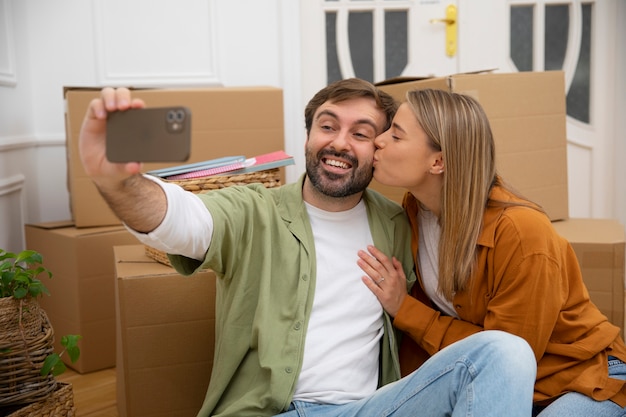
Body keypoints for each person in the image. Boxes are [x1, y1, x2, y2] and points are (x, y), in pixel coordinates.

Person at [79, 79, 536, 417]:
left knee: (505, 352)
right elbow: (178, 220)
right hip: (266, 412)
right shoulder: (254, 211)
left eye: (360, 133)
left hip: (367, 410)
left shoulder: (400, 223)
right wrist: (118, 181)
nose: (339, 142)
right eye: (327, 126)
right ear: (307, 136)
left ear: (378, 149)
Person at [357, 87, 626, 417]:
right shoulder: (418, 208)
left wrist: (404, 308)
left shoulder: (522, 232)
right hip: (492, 380)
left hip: (579, 378)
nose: (379, 141)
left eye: (395, 136)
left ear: (437, 161)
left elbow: (508, 356)